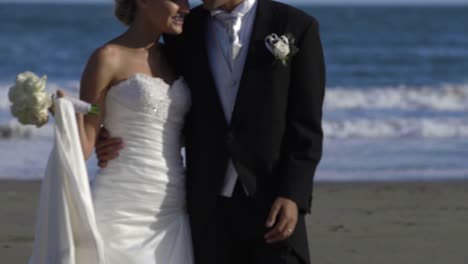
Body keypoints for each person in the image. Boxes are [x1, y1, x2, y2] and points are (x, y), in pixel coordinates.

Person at [96, 0, 326, 263]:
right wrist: (108, 130)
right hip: (206, 207)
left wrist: (293, 195)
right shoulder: (184, 29)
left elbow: (306, 125)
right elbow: (157, 94)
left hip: (272, 202)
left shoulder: (296, 25)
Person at [31, 0, 194, 263]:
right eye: (177, 0)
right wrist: (66, 116)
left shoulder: (179, 58)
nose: (186, 7)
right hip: (121, 206)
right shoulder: (108, 58)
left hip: (172, 208)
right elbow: (87, 137)